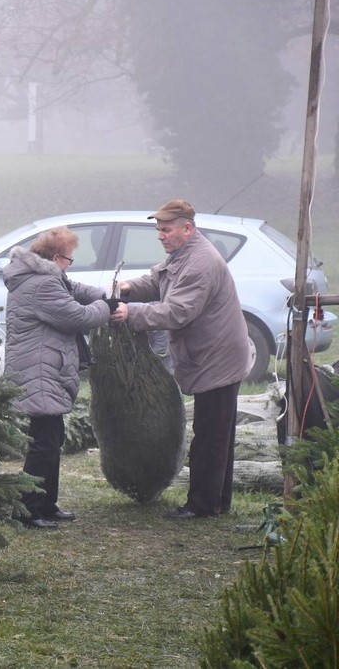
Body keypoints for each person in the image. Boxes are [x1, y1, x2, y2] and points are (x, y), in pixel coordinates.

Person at [110, 199, 251, 519]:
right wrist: (131, 286)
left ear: (187, 228)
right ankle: (218, 500)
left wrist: (130, 313)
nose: (160, 236)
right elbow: (161, 282)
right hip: (213, 355)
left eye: (166, 230)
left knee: (210, 436)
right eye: (158, 230)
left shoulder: (201, 263)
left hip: (218, 358)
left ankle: (202, 505)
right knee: (218, 433)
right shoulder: (183, 254)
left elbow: (177, 311)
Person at [4, 227, 115, 528]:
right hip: (39, 371)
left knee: (52, 438)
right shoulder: (42, 285)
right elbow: (78, 317)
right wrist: (108, 307)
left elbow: (76, 289)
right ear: (55, 258)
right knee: (45, 442)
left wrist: (105, 295)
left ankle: (46, 503)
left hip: (44, 369)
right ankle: (27, 510)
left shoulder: (45, 277)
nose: (71, 264)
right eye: (70, 258)